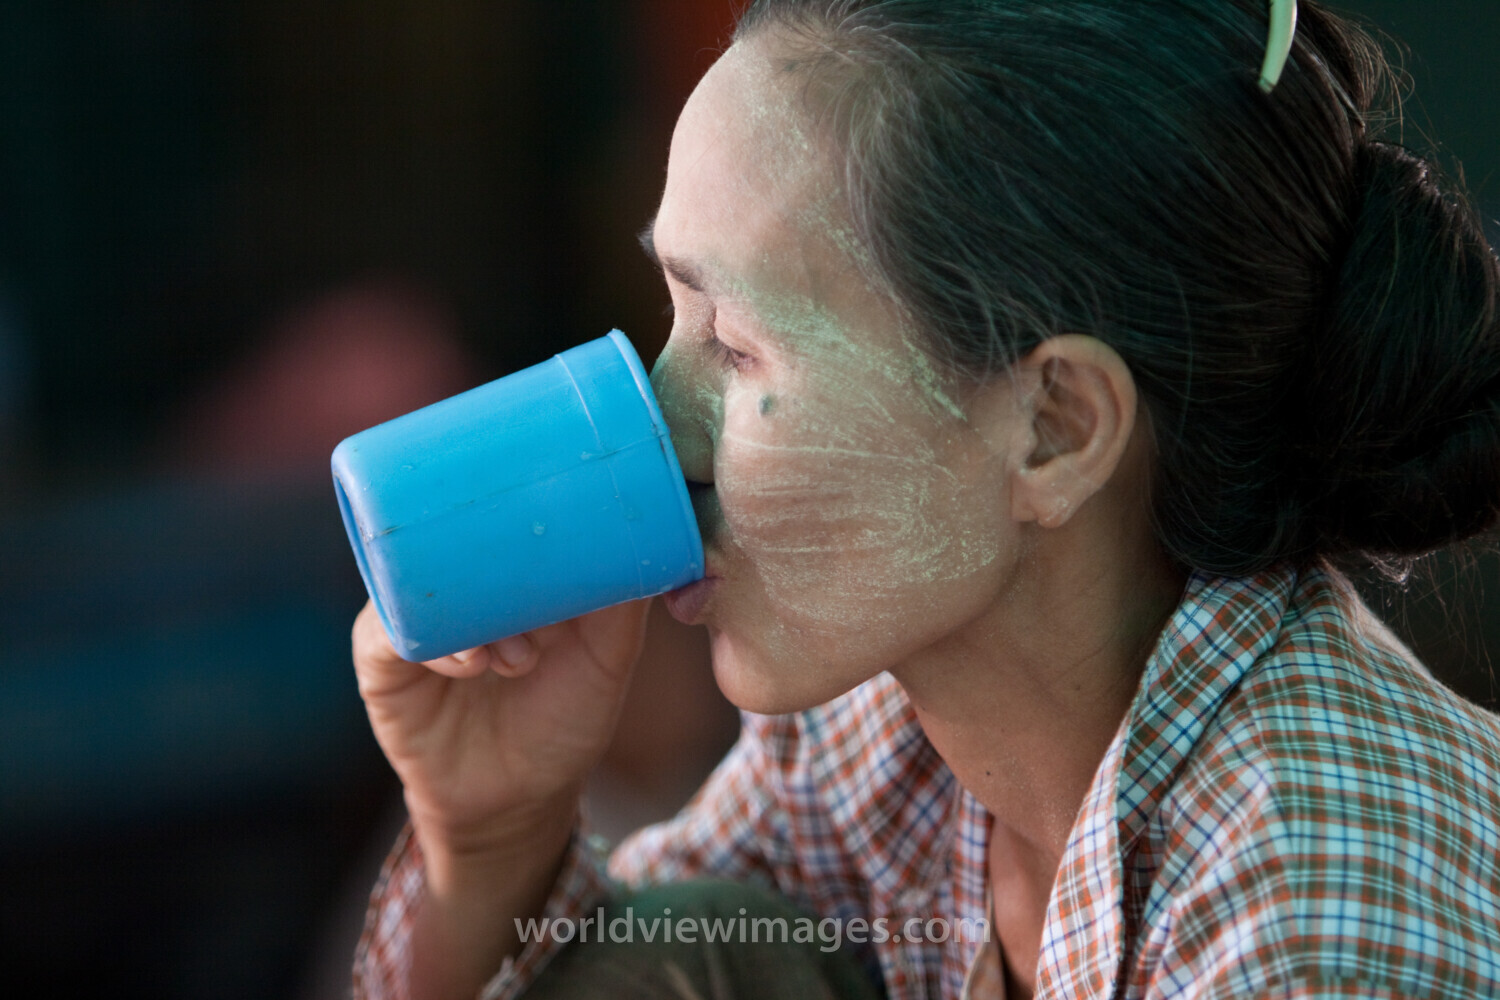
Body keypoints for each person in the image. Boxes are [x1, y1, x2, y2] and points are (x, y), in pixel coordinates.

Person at [350, 1, 1500, 997]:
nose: (658, 431)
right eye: (671, 314)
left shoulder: (1316, 932)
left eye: (737, 348)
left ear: (1054, 430)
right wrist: (489, 834)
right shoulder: (890, 729)